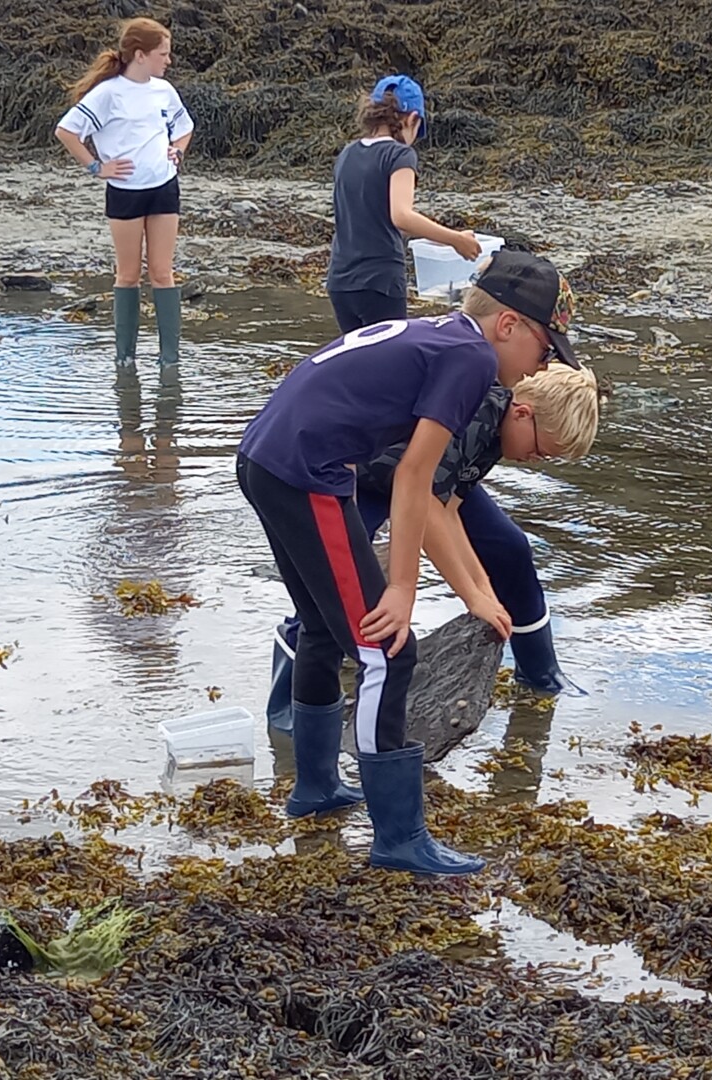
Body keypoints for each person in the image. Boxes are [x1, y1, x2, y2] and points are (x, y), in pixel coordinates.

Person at [238, 249, 580, 875]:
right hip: (306, 472)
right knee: (388, 651)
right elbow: (413, 479)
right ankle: (399, 838)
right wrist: (402, 589)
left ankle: (315, 789)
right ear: (508, 325)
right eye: (544, 347)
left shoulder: (446, 335)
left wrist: (472, 590)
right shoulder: (473, 359)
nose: (543, 363)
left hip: (271, 456)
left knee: (323, 631)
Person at [267, 363, 601, 734]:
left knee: (510, 546)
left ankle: (541, 672)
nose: (536, 461)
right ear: (522, 414)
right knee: (336, 580)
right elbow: (426, 513)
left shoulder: (499, 435)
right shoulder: (477, 417)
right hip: (363, 474)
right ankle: (286, 704)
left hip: (414, 483)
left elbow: (449, 509)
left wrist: (484, 591)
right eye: (539, 451)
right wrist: (470, 597)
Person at [54, 18, 193, 368]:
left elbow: (184, 127)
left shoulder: (164, 90)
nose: (168, 60)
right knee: (128, 275)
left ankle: (170, 362)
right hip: (125, 192)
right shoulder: (108, 93)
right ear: (140, 55)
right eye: (163, 54)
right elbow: (67, 131)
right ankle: (125, 360)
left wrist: (177, 151)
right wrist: (96, 167)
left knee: (162, 272)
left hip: (164, 187)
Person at [326, 74, 481, 332]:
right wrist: (456, 240)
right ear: (412, 119)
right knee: (390, 355)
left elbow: (370, 215)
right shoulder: (400, 155)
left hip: (341, 282)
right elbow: (401, 216)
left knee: (358, 355)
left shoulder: (348, 153)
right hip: (380, 282)